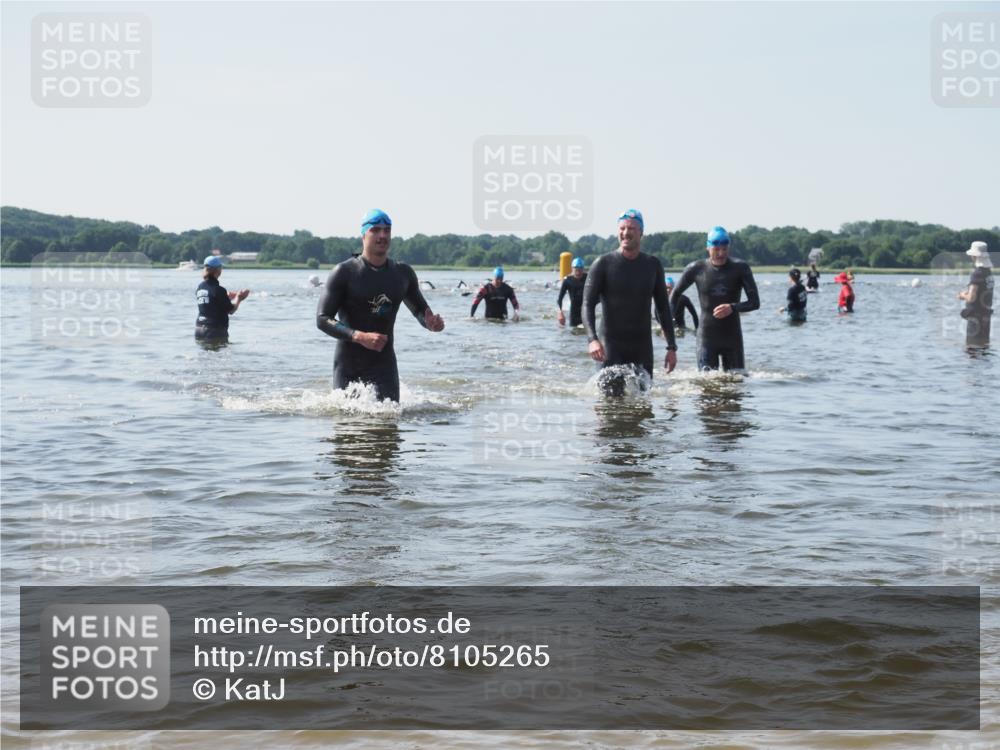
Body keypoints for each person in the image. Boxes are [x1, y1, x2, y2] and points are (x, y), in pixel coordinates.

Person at [316, 209, 445, 402]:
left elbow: (419, 310)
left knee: (389, 421)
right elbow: (323, 319)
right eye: (375, 230)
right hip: (349, 366)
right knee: (347, 427)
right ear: (363, 235)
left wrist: (431, 324)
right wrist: (359, 336)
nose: (382, 235)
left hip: (384, 366)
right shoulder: (344, 272)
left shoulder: (402, 274)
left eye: (387, 230)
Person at [583, 209, 677, 391]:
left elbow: (663, 308)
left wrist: (671, 347)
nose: (626, 233)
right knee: (608, 408)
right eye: (622, 228)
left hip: (641, 347)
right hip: (610, 346)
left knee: (644, 405)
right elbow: (587, 305)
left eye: (632, 228)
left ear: (641, 232)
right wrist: (592, 339)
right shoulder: (603, 264)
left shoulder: (653, 265)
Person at [671, 226, 760, 371]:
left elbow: (755, 303)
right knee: (707, 386)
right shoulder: (696, 269)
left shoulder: (740, 268)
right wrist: (668, 326)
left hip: (732, 339)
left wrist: (732, 307)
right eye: (716, 249)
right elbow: (674, 295)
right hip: (707, 338)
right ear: (708, 247)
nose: (721, 253)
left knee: (736, 386)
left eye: (724, 249)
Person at [195, 255, 249, 341]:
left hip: (199, 329)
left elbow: (211, 302)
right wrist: (239, 298)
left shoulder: (200, 287)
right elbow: (231, 310)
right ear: (217, 270)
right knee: (219, 353)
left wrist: (227, 296)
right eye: (221, 267)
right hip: (214, 331)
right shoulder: (219, 290)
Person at [958, 241, 994, 348]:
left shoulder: (977, 274)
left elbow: (972, 297)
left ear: (974, 256)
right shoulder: (988, 273)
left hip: (975, 317)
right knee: (984, 347)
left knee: (972, 348)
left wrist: (962, 295)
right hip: (986, 316)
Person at [557, 257, 587, 327]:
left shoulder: (588, 278)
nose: (578, 273)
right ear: (572, 269)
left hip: (586, 311)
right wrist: (560, 313)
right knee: (573, 332)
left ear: (583, 269)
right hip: (574, 313)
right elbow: (560, 299)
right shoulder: (567, 280)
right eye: (576, 270)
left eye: (580, 270)